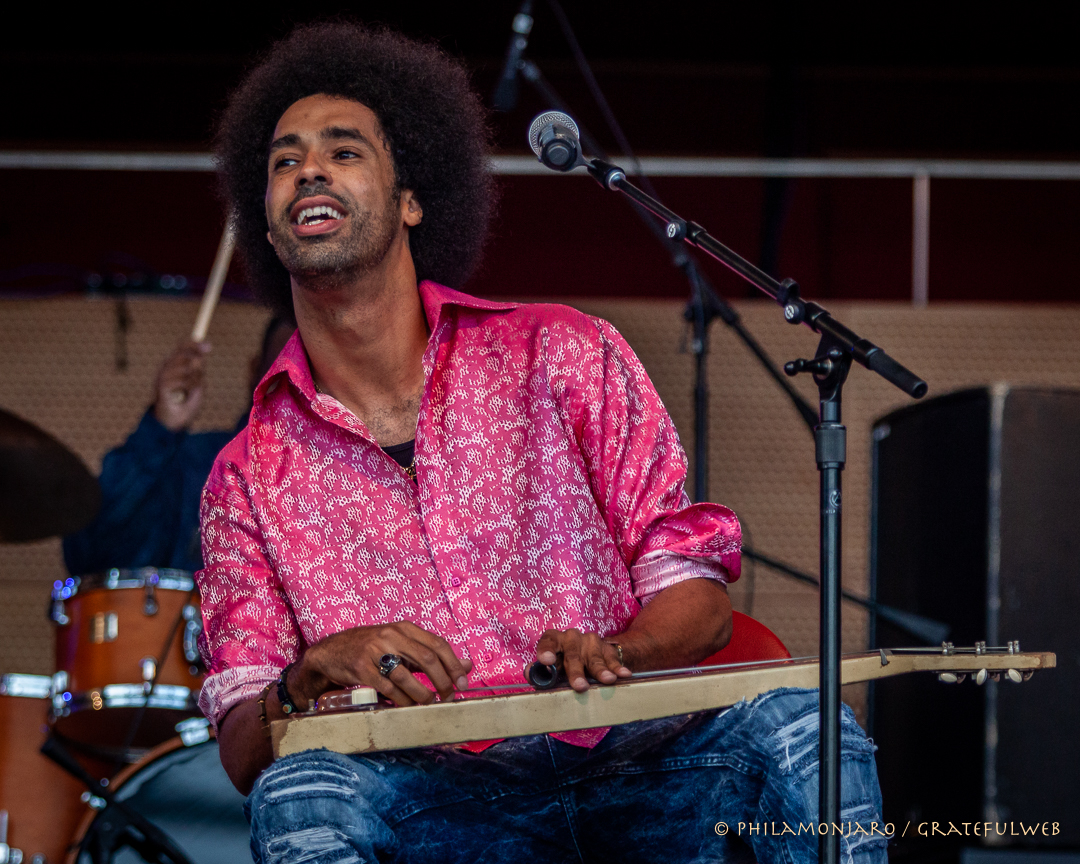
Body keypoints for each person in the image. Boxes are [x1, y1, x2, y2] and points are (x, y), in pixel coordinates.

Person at [197, 22, 888, 864]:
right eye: (283, 161)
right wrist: (308, 676)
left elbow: (701, 605)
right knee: (298, 794)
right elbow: (240, 753)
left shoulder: (564, 354)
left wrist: (618, 651)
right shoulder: (245, 478)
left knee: (805, 726)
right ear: (268, 229)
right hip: (431, 802)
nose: (307, 168)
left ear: (413, 199)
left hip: (645, 772)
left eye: (343, 152)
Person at [63, 317, 294, 575]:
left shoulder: (344, 482)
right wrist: (161, 428)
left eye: (316, 378)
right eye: (285, 374)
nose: (302, 392)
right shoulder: (193, 465)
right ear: (255, 370)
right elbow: (91, 556)